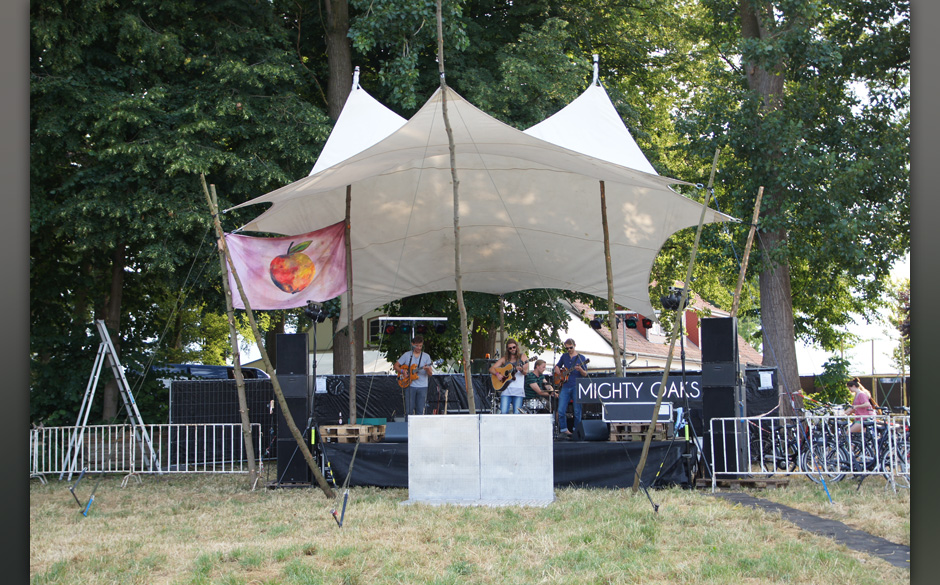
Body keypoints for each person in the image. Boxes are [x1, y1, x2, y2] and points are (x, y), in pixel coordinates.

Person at [554, 338, 588, 436]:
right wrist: (557, 370)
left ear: (575, 345)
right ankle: (564, 430)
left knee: (577, 410)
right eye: (567, 348)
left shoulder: (581, 358)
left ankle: (576, 430)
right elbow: (557, 366)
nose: (569, 350)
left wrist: (580, 369)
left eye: (570, 348)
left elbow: (585, 374)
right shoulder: (564, 356)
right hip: (565, 385)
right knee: (561, 410)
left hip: (576, 385)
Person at [395, 335, 434, 419]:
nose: (419, 348)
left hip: (423, 386)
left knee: (420, 411)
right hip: (410, 385)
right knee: (409, 410)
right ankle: (407, 430)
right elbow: (396, 366)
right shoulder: (407, 355)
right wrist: (403, 371)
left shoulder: (426, 356)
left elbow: (430, 374)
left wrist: (427, 369)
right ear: (412, 344)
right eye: (416, 346)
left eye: (420, 346)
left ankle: (419, 430)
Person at [489, 338, 528, 414]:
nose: (512, 349)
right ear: (508, 349)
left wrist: (521, 370)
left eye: (514, 347)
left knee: (517, 413)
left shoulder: (522, 356)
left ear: (516, 347)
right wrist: (498, 374)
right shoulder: (505, 359)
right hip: (506, 389)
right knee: (503, 412)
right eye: (510, 348)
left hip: (518, 390)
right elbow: (491, 369)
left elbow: (525, 372)